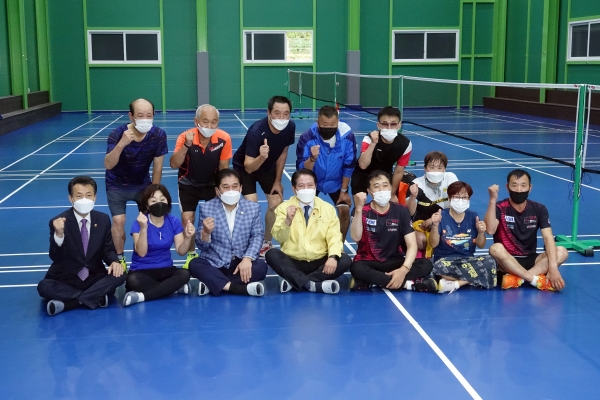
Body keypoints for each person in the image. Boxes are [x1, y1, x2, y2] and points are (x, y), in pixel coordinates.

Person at [37, 176, 126, 316]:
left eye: (88, 195)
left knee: (120, 274)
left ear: (95, 197)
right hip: (66, 278)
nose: (84, 199)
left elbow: (107, 249)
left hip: (93, 276)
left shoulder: (102, 219)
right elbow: (55, 257)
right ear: (71, 198)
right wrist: (58, 234)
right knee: (44, 287)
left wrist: (114, 261)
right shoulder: (58, 222)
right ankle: (95, 296)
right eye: (79, 196)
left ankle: (72, 303)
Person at [104, 98, 168, 270]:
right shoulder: (117, 134)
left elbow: (158, 167)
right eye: (140, 115)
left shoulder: (158, 135)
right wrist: (121, 144)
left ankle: (146, 256)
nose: (145, 119)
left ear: (154, 115)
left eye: (149, 115)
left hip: (143, 184)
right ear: (131, 116)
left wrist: (154, 192)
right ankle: (120, 259)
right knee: (119, 221)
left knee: (148, 219)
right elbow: (108, 164)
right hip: (117, 184)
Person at [265, 169, 352, 294]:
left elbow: (334, 236)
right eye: (301, 186)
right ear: (294, 189)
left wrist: (333, 257)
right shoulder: (284, 208)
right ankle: (312, 284)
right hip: (293, 260)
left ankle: (296, 281)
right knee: (271, 254)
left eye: (310, 185)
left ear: (315, 186)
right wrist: (287, 221)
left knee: (345, 260)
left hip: (320, 261)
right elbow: (279, 237)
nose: (306, 189)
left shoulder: (327, 209)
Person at [349, 170, 437, 292]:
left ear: (390, 188)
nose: (381, 189)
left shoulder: (401, 211)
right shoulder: (361, 211)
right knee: (356, 268)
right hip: (368, 262)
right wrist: (358, 209)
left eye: (385, 185)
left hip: (395, 262)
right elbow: (355, 237)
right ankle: (407, 284)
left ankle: (374, 281)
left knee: (426, 264)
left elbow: (412, 245)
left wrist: (403, 269)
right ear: (369, 191)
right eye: (376, 186)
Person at [170, 104, 232, 268]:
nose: (209, 126)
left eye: (214, 122)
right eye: (205, 121)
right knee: (187, 219)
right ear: (196, 121)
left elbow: (224, 168)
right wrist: (186, 145)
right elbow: (174, 164)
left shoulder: (224, 138)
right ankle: (191, 254)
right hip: (188, 184)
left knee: (215, 219)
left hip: (212, 184)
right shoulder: (184, 137)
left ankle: (215, 251)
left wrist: (222, 189)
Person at [232, 95, 296, 257]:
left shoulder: (290, 127)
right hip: (245, 168)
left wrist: (277, 181)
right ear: (269, 113)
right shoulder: (256, 132)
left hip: (267, 167)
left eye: (286, 114)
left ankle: (266, 242)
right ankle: (249, 241)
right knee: (251, 205)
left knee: (276, 202)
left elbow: (283, 152)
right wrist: (261, 157)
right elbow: (248, 167)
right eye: (277, 113)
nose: (281, 118)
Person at [484, 169, 568, 291]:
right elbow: (490, 230)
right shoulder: (499, 207)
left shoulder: (539, 209)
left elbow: (548, 237)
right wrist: (492, 200)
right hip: (506, 261)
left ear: (530, 187)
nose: (519, 190)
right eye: (514, 185)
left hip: (532, 260)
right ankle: (533, 279)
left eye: (523, 185)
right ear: (507, 187)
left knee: (562, 251)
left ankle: (518, 279)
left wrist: (553, 267)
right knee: (495, 248)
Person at [188, 169, 267, 297]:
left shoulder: (253, 208)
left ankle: (215, 284)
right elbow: (202, 246)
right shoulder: (206, 208)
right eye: (225, 187)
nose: (231, 190)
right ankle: (236, 288)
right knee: (195, 264)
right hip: (215, 263)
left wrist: (247, 258)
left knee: (261, 267)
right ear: (217, 190)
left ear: (241, 188)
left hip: (241, 263)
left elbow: (257, 236)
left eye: (235, 186)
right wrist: (206, 233)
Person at [122, 184, 194, 306]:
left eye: (162, 199)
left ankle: (142, 296)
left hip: (166, 269)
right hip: (142, 270)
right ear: (147, 205)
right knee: (133, 280)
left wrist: (188, 237)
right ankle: (172, 288)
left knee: (184, 274)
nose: (159, 203)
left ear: (168, 202)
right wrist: (144, 228)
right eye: (153, 201)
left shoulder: (173, 221)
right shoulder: (138, 223)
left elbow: (181, 251)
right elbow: (142, 253)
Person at [296, 105, 356, 241]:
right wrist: (312, 158)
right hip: (312, 182)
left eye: (332, 124)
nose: (328, 127)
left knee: (344, 211)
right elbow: (302, 170)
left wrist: (344, 191)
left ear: (338, 122)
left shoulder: (347, 138)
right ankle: (307, 243)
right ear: (318, 123)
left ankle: (338, 246)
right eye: (324, 124)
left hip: (337, 182)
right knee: (305, 212)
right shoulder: (307, 138)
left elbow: (349, 166)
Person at [428, 181, 497, 294]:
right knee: (438, 266)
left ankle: (455, 284)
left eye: (464, 197)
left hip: (467, 260)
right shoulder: (441, 216)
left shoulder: (473, 216)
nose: (461, 200)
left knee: (490, 261)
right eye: (456, 197)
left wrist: (481, 233)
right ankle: (475, 279)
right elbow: (433, 244)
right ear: (449, 198)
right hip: (445, 261)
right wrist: (435, 226)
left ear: (469, 199)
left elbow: (481, 245)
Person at [350, 106, 412, 204]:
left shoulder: (406, 144)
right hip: (362, 175)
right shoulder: (369, 139)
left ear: (399, 125)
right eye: (385, 124)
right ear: (378, 125)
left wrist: (392, 193)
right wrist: (373, 143)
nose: (389, 128)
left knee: (386, 206)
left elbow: (399, 171)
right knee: (360, 206)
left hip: (384, 176)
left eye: (393, 124)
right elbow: (363, 165)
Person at [406, 151, 458, 257]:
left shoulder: (451, 178)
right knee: (419, 239)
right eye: (432, 167)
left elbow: (456, 205)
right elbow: (409, 212)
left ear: (445, 169)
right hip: (422, 223)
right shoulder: (417, 184)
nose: (435, 171)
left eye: (439, 168)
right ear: (425, 168)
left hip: (445, 220)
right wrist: (413, 197)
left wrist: (434, 220)